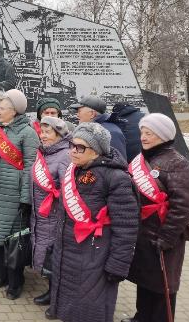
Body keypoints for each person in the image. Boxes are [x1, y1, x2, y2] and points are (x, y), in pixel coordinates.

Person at [48, 122, 139, 322]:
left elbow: (126, 228)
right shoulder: (75, 170)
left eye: (80, 147)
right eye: (72, 145)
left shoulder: (117, 178)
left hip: (96, 258)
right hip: (69, 253)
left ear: (97, 151)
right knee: (69, 308)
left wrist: (118, 264)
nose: (73, 150)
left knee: (90, 309)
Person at [123, 114, 189, 322]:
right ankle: (142, 316)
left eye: (150, 133)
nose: (144, 137)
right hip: (144, 233)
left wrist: (166, 238)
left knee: (163, 287)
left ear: (163, 136)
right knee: (145, 281)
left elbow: (182, 208)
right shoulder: (145, 158)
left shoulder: (177, 164)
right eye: (143, 132)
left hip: (163, 238)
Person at [0, 89, 39, 300]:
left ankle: (15, 282)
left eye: (2, 109)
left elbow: (31, 167)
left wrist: (26, 199)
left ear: (15, 111)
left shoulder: (28, 133)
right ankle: (1, 274)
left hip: (14, 197)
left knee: (13, 241)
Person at [30, 116, 71, 306]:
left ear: (59, 135)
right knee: (47, 254)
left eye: (48, 132)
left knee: (54, 256)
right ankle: (52, 291)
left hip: (54, 216)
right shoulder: (45, 152)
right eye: (42, 131)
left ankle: (57, 298)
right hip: (41, 215)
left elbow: (68, 190)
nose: (43, 135)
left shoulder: (64, 156)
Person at [69, 95, 127, 160]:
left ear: (92, 114)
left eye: (79, 111)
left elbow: (118, 162)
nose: (77, 115)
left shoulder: (112, 132)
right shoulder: (93, 129)